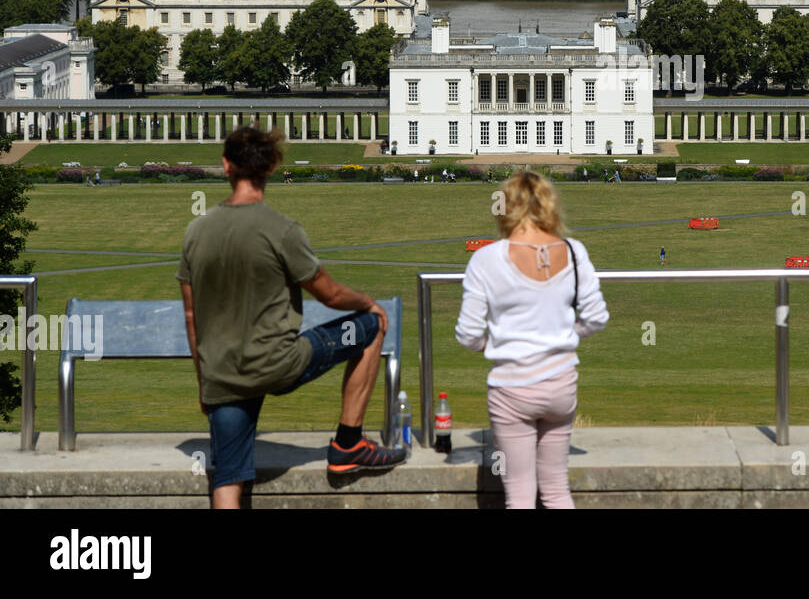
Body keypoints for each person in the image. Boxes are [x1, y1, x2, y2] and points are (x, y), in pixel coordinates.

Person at [178, 127, 404, 510]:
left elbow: (191, 316)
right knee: (370, 327)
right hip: (278, 364)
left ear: (225, 165)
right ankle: (348, 443)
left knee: (227, 483)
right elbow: (330, 294)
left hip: (222, 377)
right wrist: (369, 303)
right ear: (270, 168)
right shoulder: (281, 230)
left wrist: (206, 386)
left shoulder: (196, 231)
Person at [455, 171, 608, 509]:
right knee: (556, 490)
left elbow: (467, 334)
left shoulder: (486, 259)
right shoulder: (573, 250)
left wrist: (497, 345)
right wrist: (561, 337)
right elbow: (596, 317)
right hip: (561, 384)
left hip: (512, 388)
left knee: (520, 497)